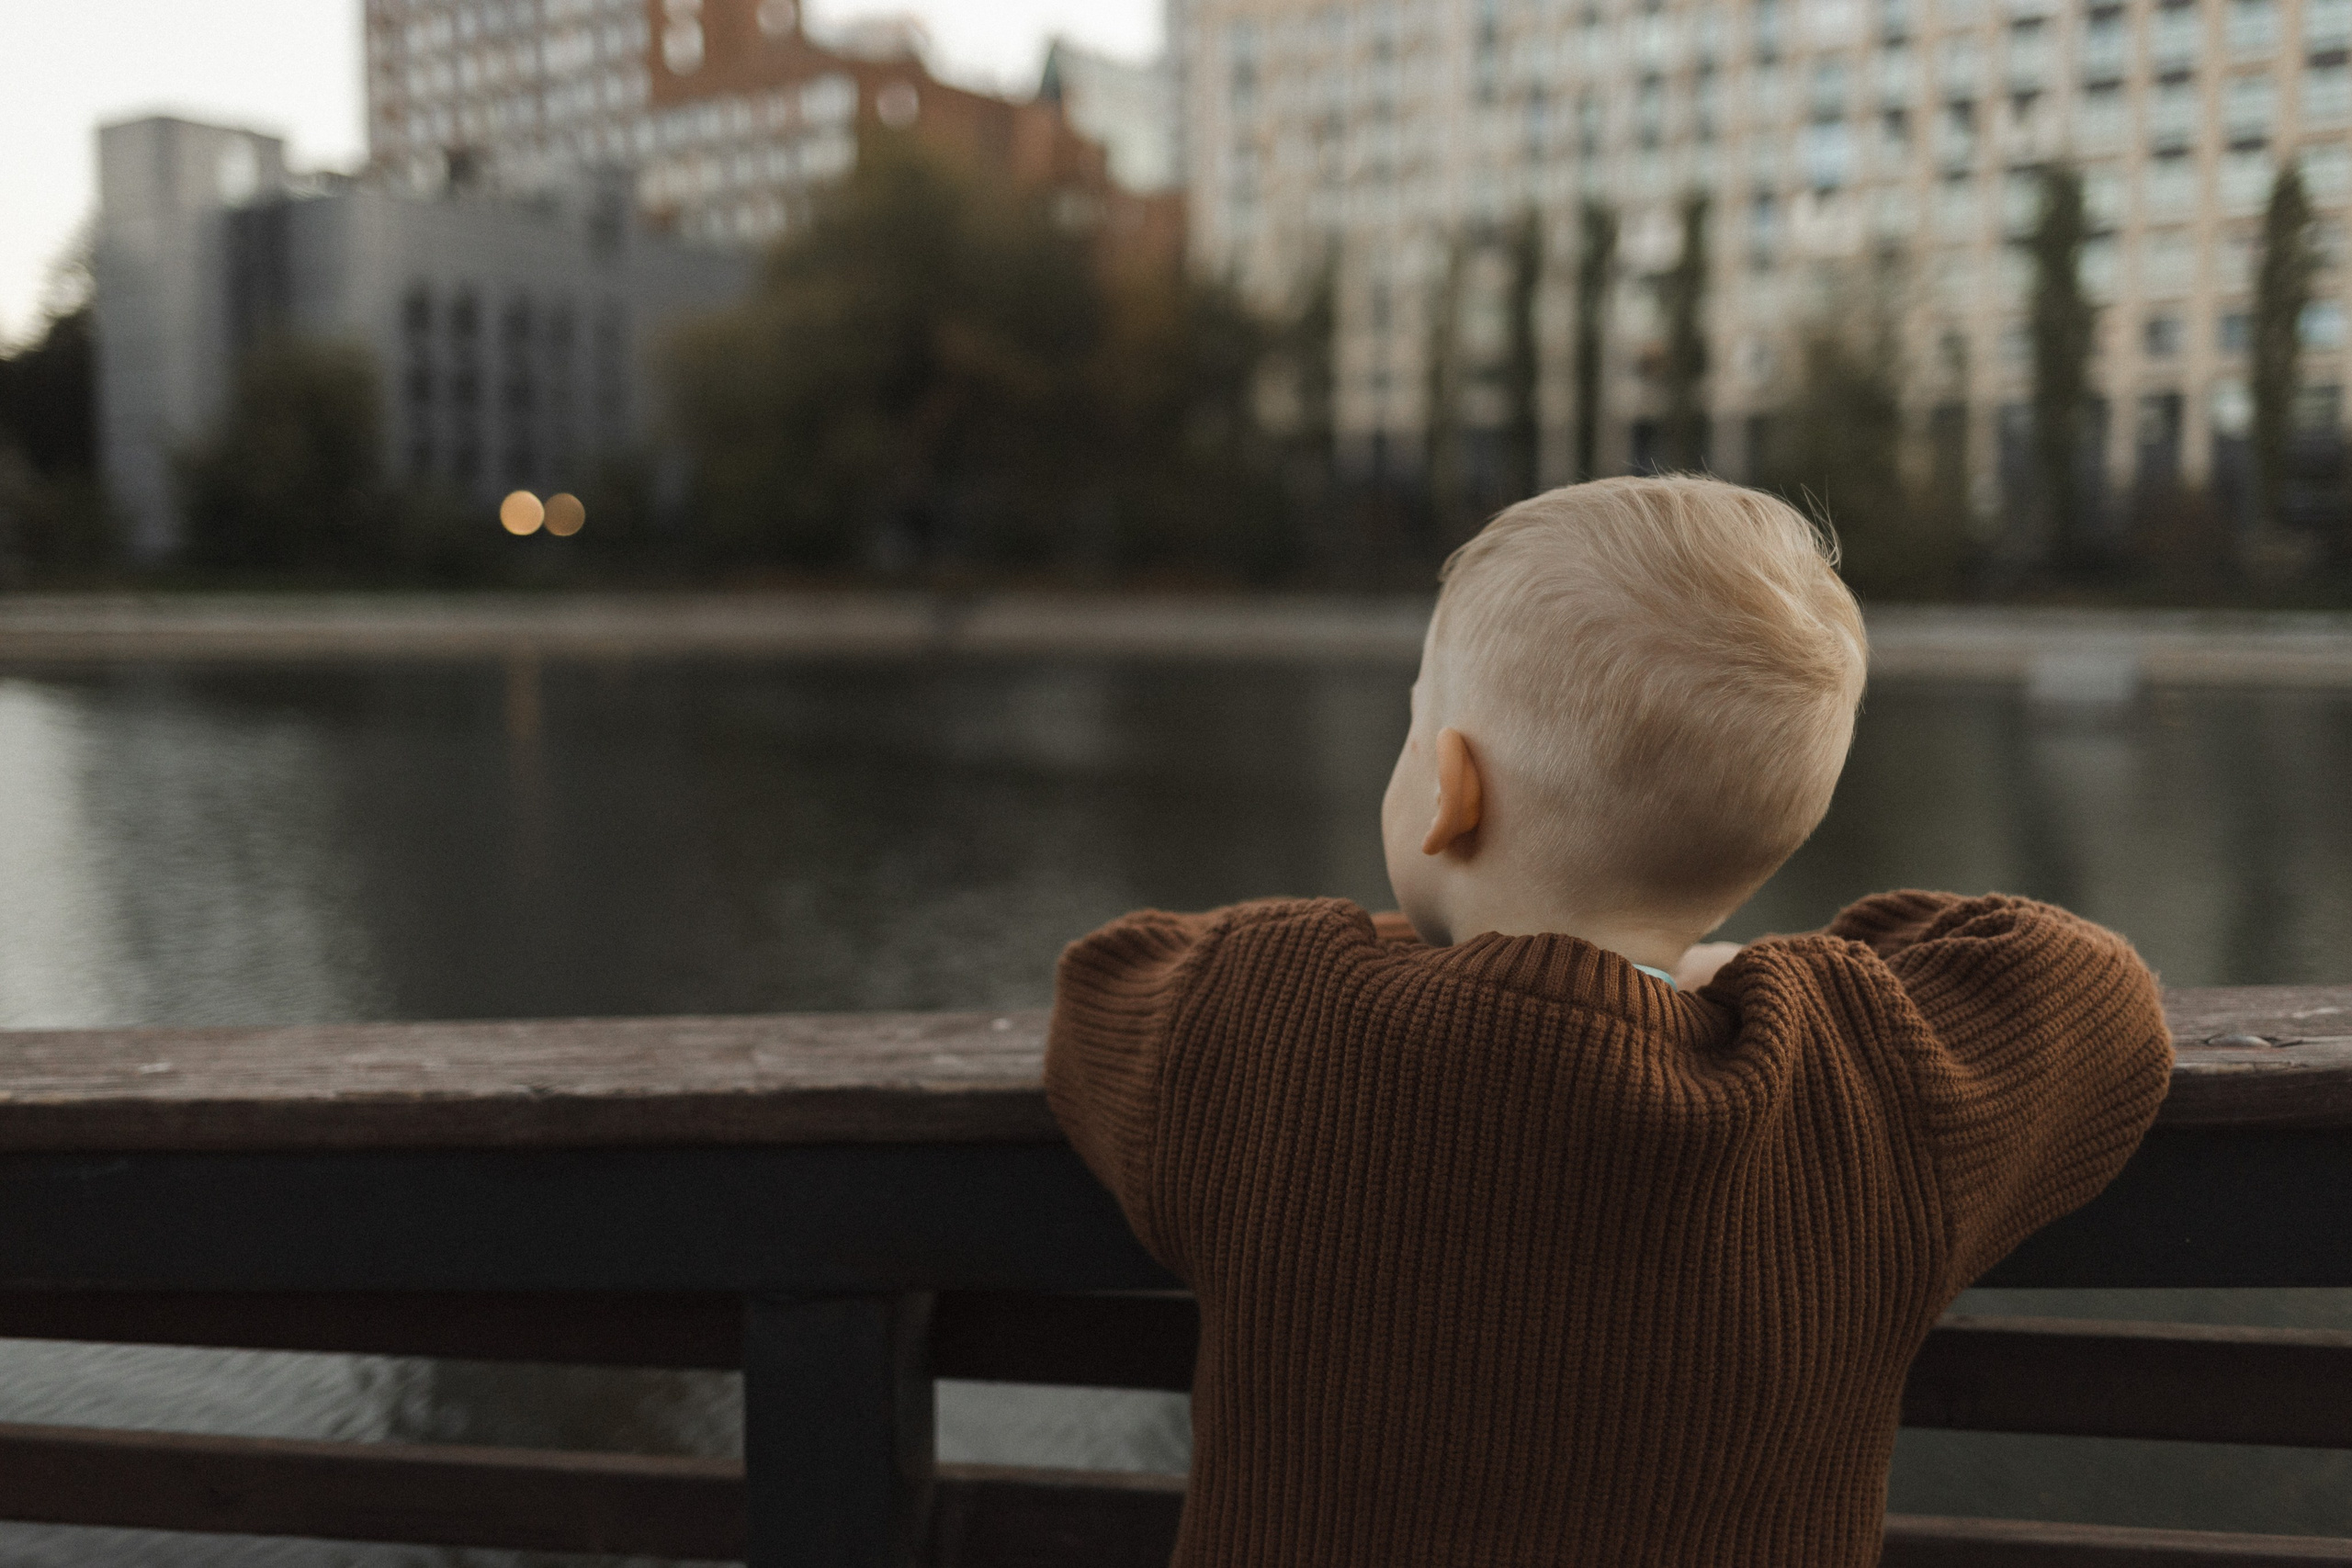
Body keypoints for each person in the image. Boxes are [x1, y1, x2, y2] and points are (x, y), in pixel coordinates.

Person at [1045, 475, 2173, 1567]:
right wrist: (1761, 969)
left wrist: (1391, 946)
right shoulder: (1857, 1079)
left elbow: (1106, 982)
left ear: (1449, 789)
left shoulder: (1267, 1015)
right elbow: (2092, 990)